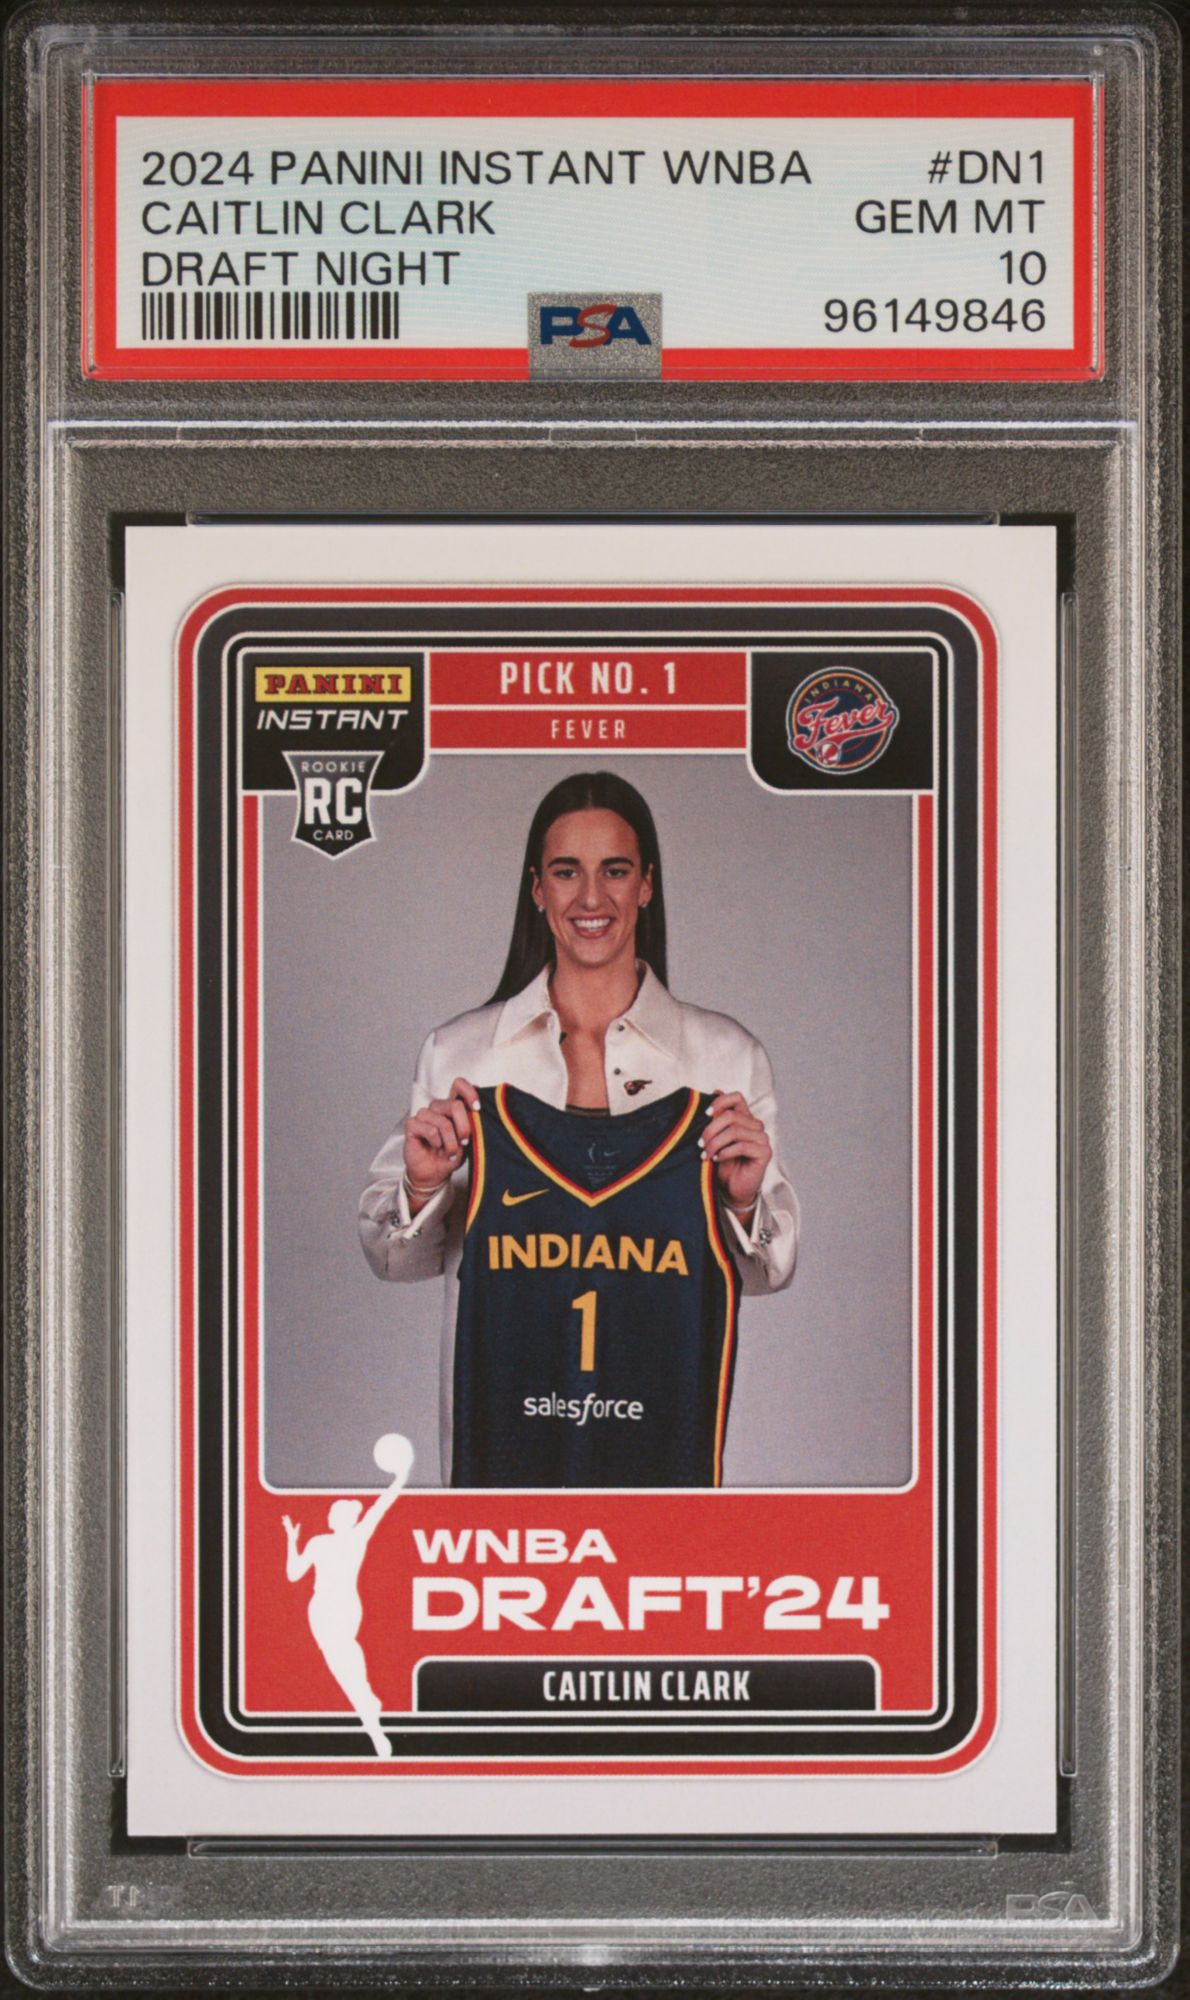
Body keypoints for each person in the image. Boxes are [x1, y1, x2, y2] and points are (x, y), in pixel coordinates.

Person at [358, 772, 798, 1482]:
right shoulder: (462, 1055)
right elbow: (391, 1259)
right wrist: (421, 1185)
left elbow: (768, 1271)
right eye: (567, 872)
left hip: (661, 1436)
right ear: (537, 889)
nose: (591, 898)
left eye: (615, 871)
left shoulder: (724, 1060)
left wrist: (742, 1203)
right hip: (503, 1438)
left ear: (646, 886)